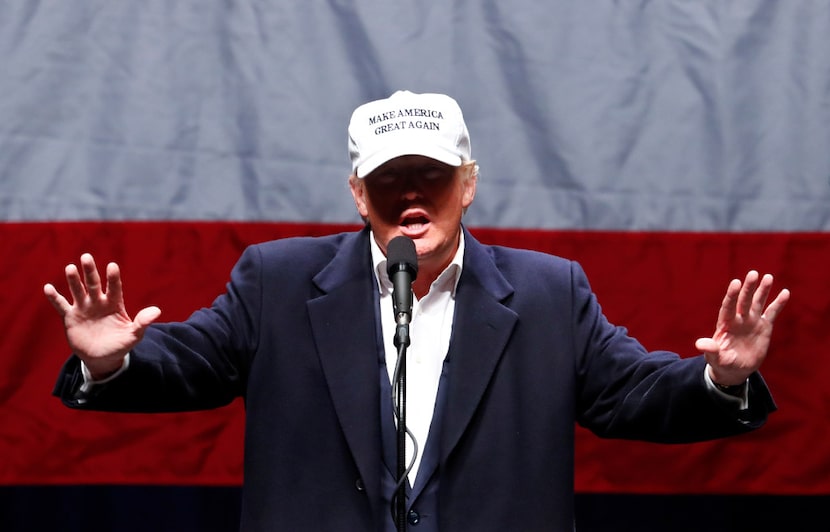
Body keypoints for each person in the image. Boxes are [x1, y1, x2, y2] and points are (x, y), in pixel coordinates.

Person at [45, 90, 790, 532]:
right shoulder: (277, 279)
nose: (410, 195)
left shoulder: (547, 292)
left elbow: (631, 394)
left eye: (430, 176)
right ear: (357, 193)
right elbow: (193, 365)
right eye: (390, 177)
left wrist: (718, 380)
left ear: (468, 184)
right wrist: (111, 361)